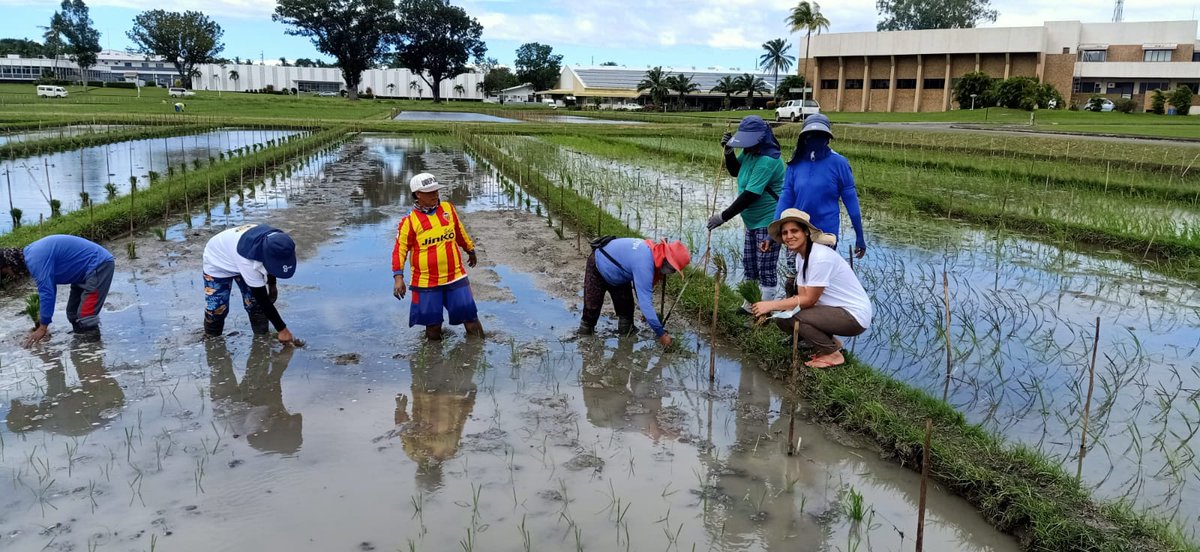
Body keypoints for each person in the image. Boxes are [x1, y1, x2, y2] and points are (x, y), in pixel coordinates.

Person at [750, 209, 871, 369]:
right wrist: (778, 308)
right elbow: (802, 297)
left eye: (794, 231)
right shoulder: (801, 257)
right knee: (783, 318)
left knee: (794, 317)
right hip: (835, 311)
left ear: (806, 232)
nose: (789, 236)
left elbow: (809, 300)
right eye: (785, 233)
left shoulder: (820, 257)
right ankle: (833, 343)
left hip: (853, 317)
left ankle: (833, 355)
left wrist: (771, 305)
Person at [774, 114, 866, 298]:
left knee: (815, 283)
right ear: (804, 138)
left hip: (824, 234)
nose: (816, 140)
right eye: (811, 136)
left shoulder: (839, 163)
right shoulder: (795, 164)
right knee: (793, 279)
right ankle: (793, 321)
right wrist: (774, 231)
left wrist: (860, 236)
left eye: (821, 136)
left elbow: (851, 203)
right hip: (796, 231)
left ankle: (814, 322)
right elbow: (786, 197)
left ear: (827, 138)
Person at [392, 172, 483, 340]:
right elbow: (400, 249)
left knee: (470, 319)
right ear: (418, 195)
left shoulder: (448, 209)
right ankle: (433, 364)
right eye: (430, 192)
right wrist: (398, 277)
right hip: (426, 282)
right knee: (433, 327)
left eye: (436, 190)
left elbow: (459, 232)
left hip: (455, 277)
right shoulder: (409, 222)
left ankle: (479, 353)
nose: (435, 194)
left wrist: (470, 250)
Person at [706, 115, 784, 309]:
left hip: (768, 221)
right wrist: (729, 152)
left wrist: (722, 217)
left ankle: (765, 310)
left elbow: (751, 194)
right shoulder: (750, 152)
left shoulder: (768, 159)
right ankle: (749, 305)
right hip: (751, 220)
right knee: (749, 264)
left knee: (765, 266)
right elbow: (735, 171)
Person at [1, 235, 115, 346]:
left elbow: (47, 292)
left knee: (86, 315)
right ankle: (83, 345)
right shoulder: (29, 255)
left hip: (98, 265)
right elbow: (50, 288)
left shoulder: (35, 260)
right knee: (72, 313)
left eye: (6, 273)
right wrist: (42, 319)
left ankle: (93, 352)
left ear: (10, 264)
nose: (10, 276)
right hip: (82, 274)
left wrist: (43, 327)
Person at [578, 237, 690, 347]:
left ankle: (625, 347)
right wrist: (662, 335)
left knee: (626, 312)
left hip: (620, 273)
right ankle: (584, 342)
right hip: (599, 265)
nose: (672, 272)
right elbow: (645, 304)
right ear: (666, 261)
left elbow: (641, 289)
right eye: (673, 269)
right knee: (591, 310)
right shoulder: (644, 263)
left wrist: (646, 314)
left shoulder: (652, 251)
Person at [202, 223, 298, 344]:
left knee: (254, 306)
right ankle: (212, 341)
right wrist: (282, 330)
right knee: (217, 309)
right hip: (218, 261)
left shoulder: (279, 239)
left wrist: (272, 285)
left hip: (239, 252)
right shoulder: (248, 262)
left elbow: (274, 263)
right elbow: (262, 298)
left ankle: (261, 339)